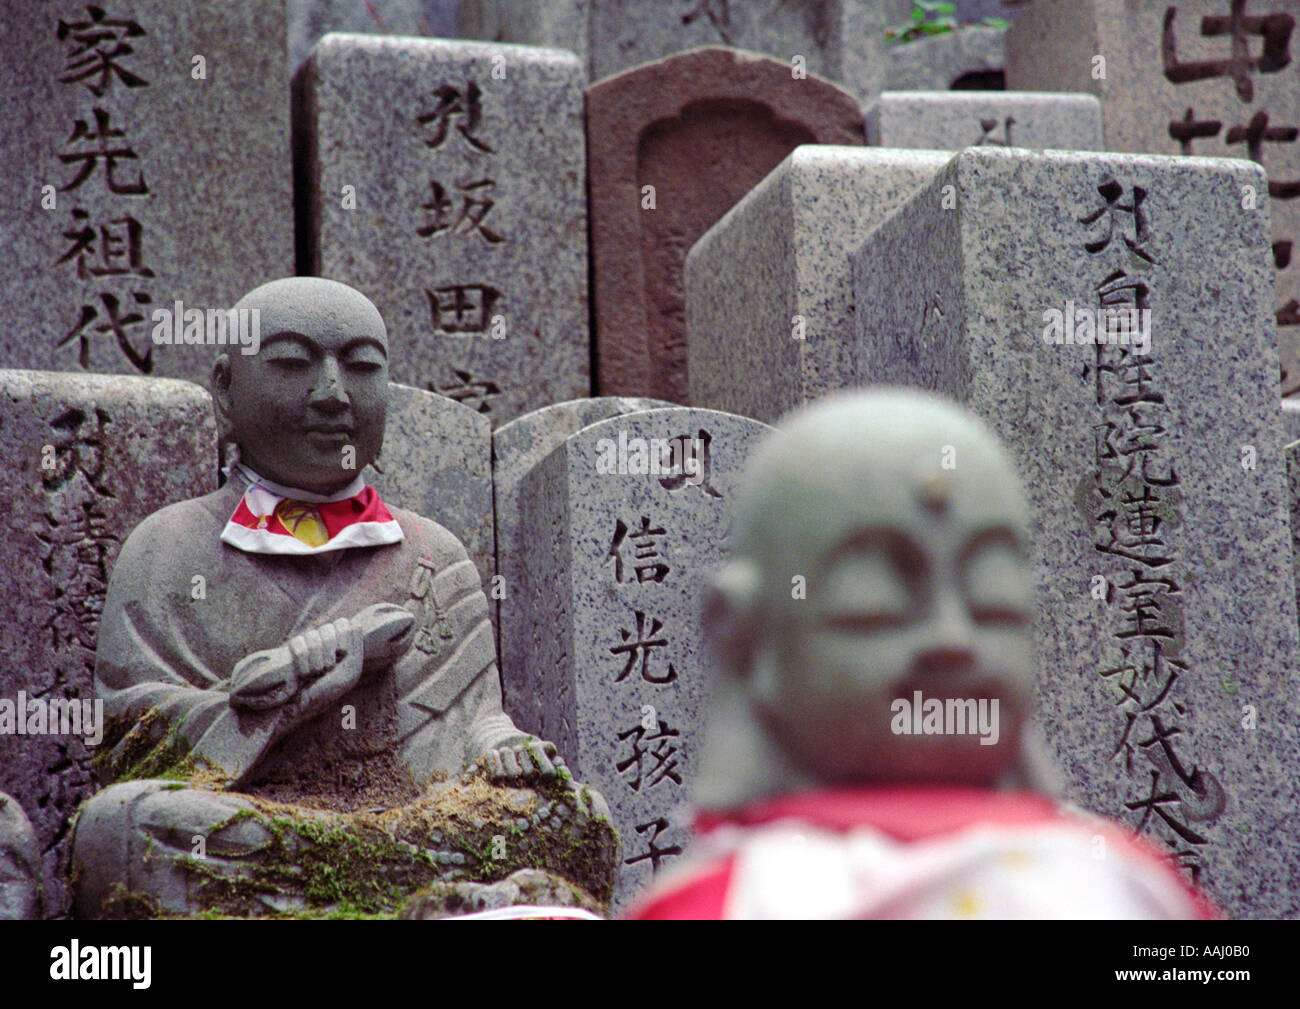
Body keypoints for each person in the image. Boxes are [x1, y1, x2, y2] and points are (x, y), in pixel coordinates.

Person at [72, 278, 601, 918]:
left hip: (419, 819)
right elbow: (129, 737)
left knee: (574, 816)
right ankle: (441, 900)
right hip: (254, 818)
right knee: (124, 827)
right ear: (224, 388)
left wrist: (499, 746)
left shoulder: (433, 552)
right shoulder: (170, 545)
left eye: (362, 367)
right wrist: (290, 686)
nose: (332, 394)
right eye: (293, 364)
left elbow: (473, 719)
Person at [626, 389, 1215, 919]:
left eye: (992, 598)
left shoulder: (1132, 888)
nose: (952, 640)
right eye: (875, 600)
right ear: (744, 635)